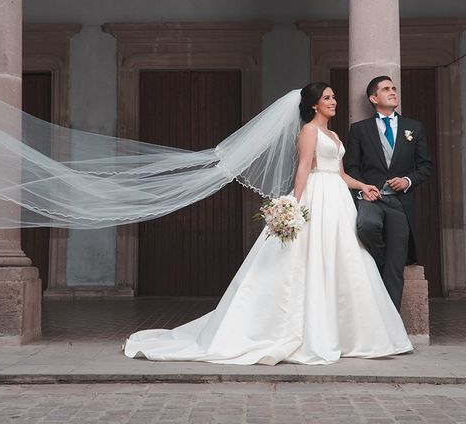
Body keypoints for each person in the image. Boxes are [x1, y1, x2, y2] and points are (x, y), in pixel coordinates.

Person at [123, 82, 413, 365]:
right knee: (308, 259)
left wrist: (362, 185)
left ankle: (349, 334)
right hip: (316, 197)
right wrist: (295, 205)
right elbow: (302, 167)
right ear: (314, 104)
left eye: (334, 97)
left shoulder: (334, 135)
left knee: (346, 258)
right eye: (327, 98)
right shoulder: (309, 131)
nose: (333, 101)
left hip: (337, 200)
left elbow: (339, 173)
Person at [345, 76, 433, 310]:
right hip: (371, 199)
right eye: (386, 89)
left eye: (394, 88)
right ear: (374, 98)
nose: (393, 92)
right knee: (366, 226)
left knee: (396, 269)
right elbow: (351, 167)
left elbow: (425, 166)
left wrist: (407, 180)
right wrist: (364, 189)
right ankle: (381, 261)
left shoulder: (414, 128)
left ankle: (391, 326)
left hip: (401, 203)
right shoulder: (359, 130)